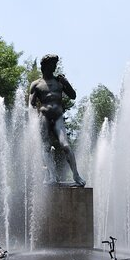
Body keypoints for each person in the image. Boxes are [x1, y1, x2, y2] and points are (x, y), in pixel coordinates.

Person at [29, 54, 86, 186]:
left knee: (65, 145)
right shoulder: (36, 84)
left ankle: (76, 175)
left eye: (55, 65)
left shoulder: (59, 81)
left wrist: (66, 83)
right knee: (46, 147)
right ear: (45, 67)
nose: (54, 68)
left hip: (58, 116)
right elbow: (31, 104)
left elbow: (73, 96)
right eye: (52, 65)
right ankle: (52, 176)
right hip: (44, 117)